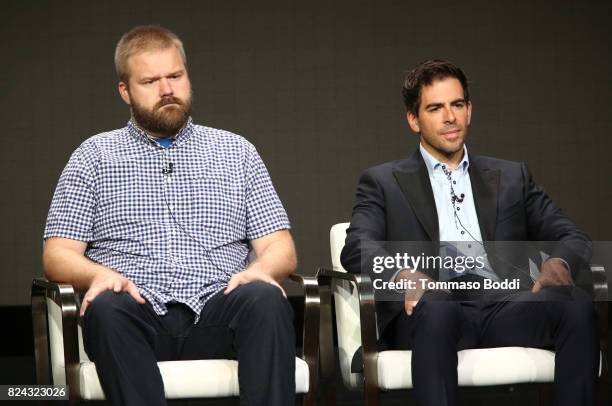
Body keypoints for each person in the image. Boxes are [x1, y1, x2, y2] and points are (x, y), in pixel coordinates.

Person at [42, 25, 297, 406]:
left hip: (219, 307)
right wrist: (102, 275)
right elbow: (57, 255)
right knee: (107, 307)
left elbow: (280, 246)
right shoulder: (93, 157)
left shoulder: (236, 151)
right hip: (136, 311)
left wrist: (262, 270)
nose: (167, 89)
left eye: (176, 76)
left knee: (266, 300)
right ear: (125, 91)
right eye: (150, 81)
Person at [341, 59, 599, 406]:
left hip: (502, 306)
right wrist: (403, 274)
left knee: (575, 307)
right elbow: (358, 246)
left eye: (457, 105)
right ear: (414, 119)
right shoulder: (383, 182)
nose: (450, 117)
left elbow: (572, 235)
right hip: (433, 307)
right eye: (435, 108)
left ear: (469, 110)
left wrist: (560, 263)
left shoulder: (511, 177)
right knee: (438, 307)